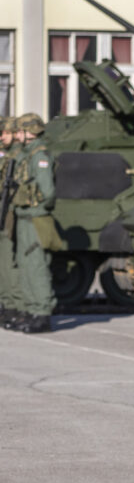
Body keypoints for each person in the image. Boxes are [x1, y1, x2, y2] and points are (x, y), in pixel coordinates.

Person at [7, 113, 59, 334]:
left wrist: (26, 198)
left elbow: (48, 192)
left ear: (31, 131)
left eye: (21, 130)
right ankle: (30, 310)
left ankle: (42, 313)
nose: (17, 134)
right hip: (24, 217)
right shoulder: (27, 155)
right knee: (25, 265)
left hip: (36, 218)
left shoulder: (40, 156)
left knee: (36, 267)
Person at [0, 117, 20, 328]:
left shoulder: (14, 156)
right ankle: (7, 304)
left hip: (9, 214)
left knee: (9, 261)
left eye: (4, 133)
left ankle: (12, 306)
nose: (1, 137)